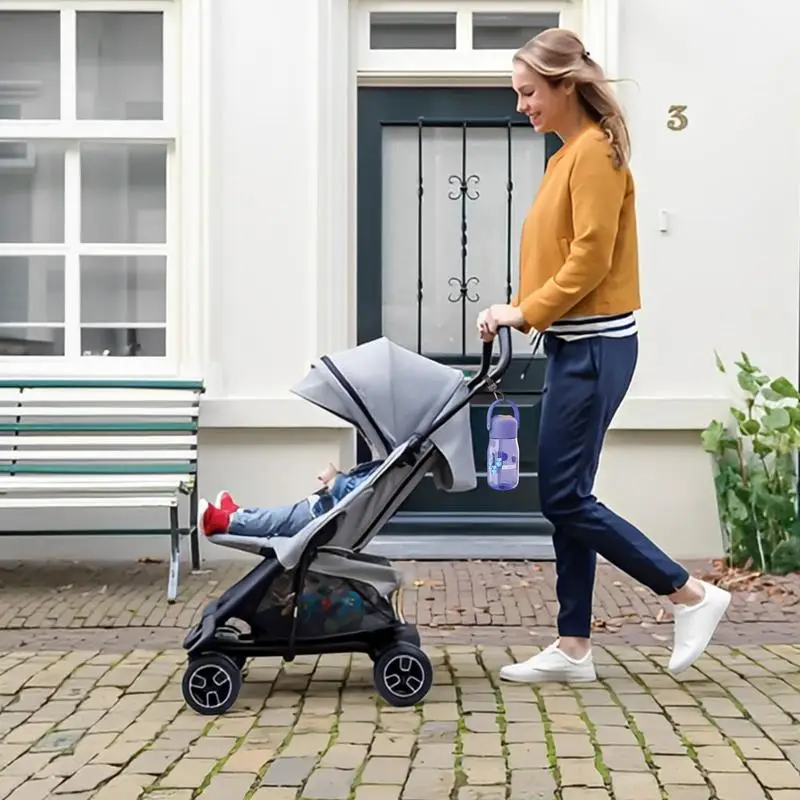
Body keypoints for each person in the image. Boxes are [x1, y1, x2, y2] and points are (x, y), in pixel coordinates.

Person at [476, 28, 730, 684]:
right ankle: (573, 647)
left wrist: (525, 311)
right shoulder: (566, 156)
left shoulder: (593, 153)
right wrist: (516, 306)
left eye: (529, 92)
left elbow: (590, 257)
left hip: (595, 347)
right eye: (518, 94)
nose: (522, 105)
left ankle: (689, 594)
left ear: (565, 86)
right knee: (569, 496)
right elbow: (559, 255)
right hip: (574, 344)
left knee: (562, 497)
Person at [197, 459, 382, 539]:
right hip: (321, 507)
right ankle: (236, 513)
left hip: (321, 517)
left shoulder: (386, 471)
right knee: (275, 515)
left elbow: (359, 492)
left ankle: (222, 521)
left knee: (275, 520)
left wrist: (334, 478)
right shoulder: (387, 467)